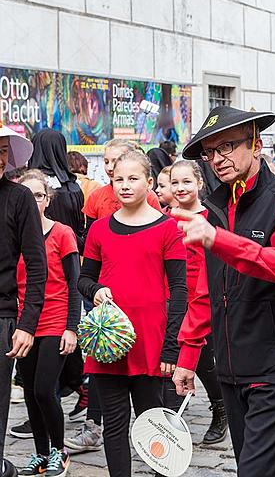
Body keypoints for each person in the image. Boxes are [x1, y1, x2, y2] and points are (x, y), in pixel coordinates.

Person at [172, 106, 275, 477]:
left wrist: (219, 240)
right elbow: (204, 290)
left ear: (256, 143)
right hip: (232, 368)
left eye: (227, 146)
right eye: (209, 152)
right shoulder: (214, 207)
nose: (217, 159)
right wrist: (188, 355)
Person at [78, 150, 187, 477]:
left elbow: (180, 289)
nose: (124, 185)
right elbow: (83, 279)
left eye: (133, 178)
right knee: (114, 424)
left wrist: (171, 345)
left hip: (149, 340)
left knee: (153, 422)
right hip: (108, 342)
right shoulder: (99, 230)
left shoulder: (167, 229)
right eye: (118, 180)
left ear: (150, 182)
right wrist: (95, 290)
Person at [17, 170, 80, 477]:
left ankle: (59, 450)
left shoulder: (62, 233)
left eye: (38, 195)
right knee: (29, 390)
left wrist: (72, 326)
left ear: (48, 199)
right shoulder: (12, 237)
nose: (32, 201)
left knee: (44, 389)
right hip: (23, 324)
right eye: (26, 196)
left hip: (56, 319)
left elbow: (74, 282)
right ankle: (41, 454)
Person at [167, 160, 228, 444]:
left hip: (204, 298)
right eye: (175, 183)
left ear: (200, 183)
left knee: (203, 358)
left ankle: (220, 406)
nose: (180, 188)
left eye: (186, 182)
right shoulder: (163, 219)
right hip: (172, 298)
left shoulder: (211, 216)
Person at [0, 124, 47, 477]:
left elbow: (36, 266)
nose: (0, 158)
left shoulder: (19, 199)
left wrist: (27, 323)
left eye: (3, 151)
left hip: (3, 317)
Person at [28, 129, 85, 253]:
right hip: (71, 254)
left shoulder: (26, 187)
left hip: (35, 256)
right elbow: (81, 229)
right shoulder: (74, 186)